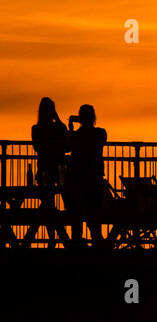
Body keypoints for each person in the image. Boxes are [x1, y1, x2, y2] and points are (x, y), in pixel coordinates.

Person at [65, 104, 107, 244]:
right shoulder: (100, 133)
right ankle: (97, 241)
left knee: (77, 213)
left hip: (77, 178)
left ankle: (77, 243)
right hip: (94, 178)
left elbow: (67, 147)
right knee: (94, 213)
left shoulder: (76, 136)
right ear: (93, 117)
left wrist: (71, 128)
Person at [31, 97, 69, 189]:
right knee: (66, 196)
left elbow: (36, 147)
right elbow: (66, 139)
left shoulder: (36, 129)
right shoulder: (58, 127)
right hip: (59, 168)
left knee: (47, 197)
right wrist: (58, 119)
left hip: (44, 167)